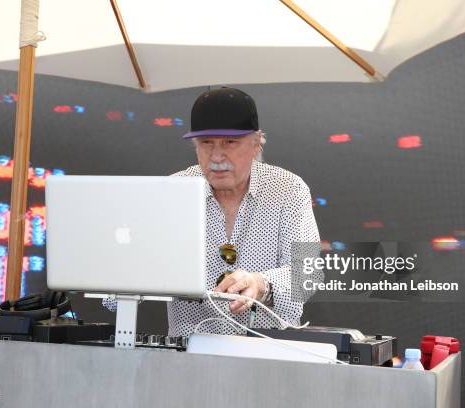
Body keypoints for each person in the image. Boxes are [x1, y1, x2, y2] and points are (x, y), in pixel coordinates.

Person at [104, 87, 320, 336]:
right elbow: (116, 293)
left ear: (256, 142)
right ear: (195, 146)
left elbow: (308, 274)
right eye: (206, 143)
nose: (217, 156)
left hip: (271, 348)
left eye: (230, 142)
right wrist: (133, 265)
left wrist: (260, 284)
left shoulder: (289, 190)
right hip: (191, 353)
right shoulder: (173, 191)